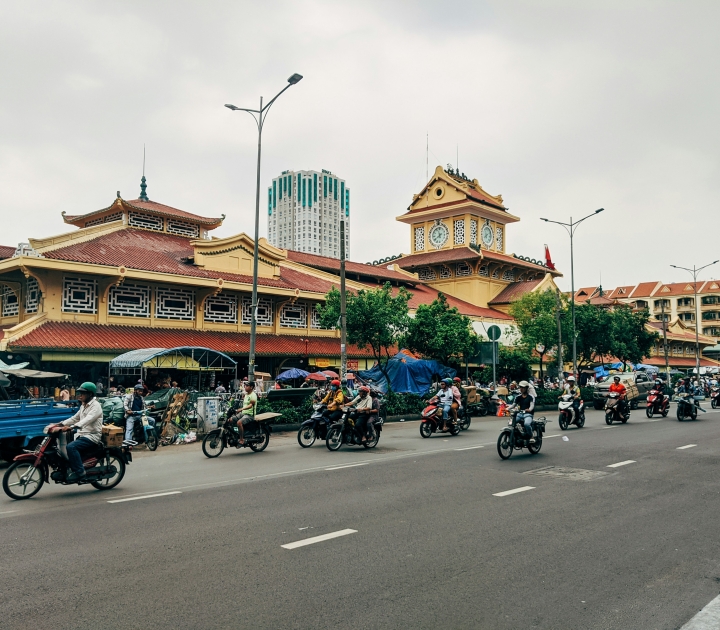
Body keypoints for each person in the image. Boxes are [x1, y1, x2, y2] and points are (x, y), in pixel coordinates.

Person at [60, 382, 103, 482]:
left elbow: (88, 419)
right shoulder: (84, 405)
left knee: (71, 447)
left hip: (92, 436)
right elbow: (75, 418)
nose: (80, 396)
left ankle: (80, 472)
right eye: (80, 393)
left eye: (83, 393)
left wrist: (72, 427)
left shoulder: (96, 406)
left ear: (90, 394)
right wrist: (61, 424)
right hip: (82, 434)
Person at [233, 381, 258, 445]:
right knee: (230, 419)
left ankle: (241, 439)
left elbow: (250, 405)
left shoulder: (253, 395)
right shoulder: (246, 395)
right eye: (245, 386)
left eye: (247, 386)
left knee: (239, 422)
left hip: (249, 415)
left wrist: (241, 409)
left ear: (251, 387)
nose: (245, 387)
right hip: (243, 413)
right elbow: (242, 404)